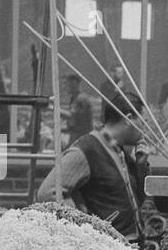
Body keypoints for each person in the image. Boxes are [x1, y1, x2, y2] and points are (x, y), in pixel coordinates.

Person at [37, 86, 149, 241]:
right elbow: (48, 192)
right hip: (109, 247)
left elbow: (137, 201)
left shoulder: (120, 151)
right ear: (128, 119)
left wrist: (141, 165)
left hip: (131, 244)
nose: (144, 130)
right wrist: (85, 230)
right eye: (143, 123)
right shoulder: (87, 149)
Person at [63, 74, 95, 142]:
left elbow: (71, 115)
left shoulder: (81, 98)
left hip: (82, 138)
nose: (64, 87)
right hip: (76, 135)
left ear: (74, 85)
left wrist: (53, 108)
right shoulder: (74, 98)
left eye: (66, 84)